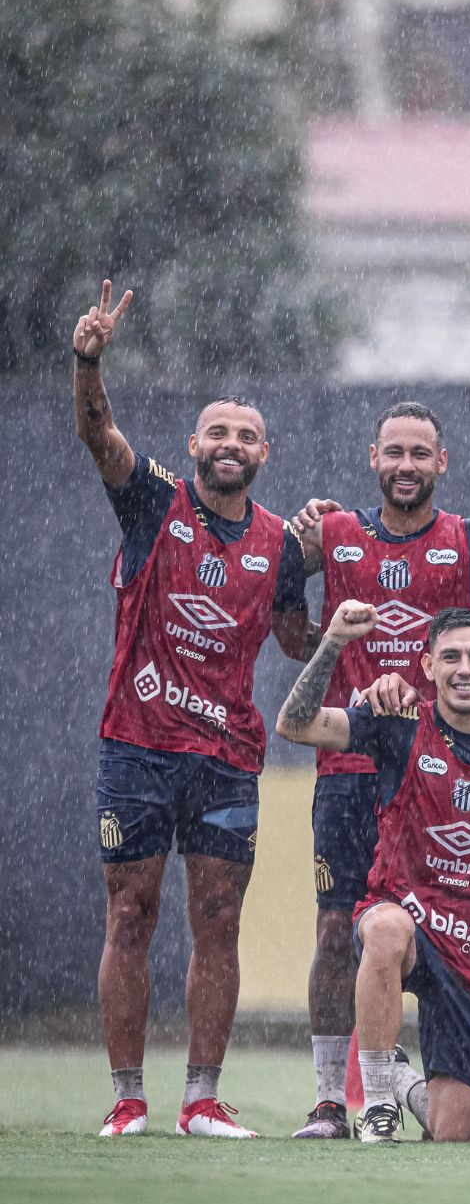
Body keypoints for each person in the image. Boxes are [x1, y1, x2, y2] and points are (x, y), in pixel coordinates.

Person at [75, 280, 316, 1139]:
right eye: (218, 431)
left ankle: (202, 1101)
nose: (230, 444)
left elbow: (295, 639)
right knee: (129, 914)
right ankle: (129, 1099)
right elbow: (99, 434)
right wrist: (88, 361)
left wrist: (347, 604)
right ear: (194, 444)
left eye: (246, 436)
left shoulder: (283, 541)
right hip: (135, 749)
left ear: (263, 453)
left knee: (217, 921)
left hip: (224, 758)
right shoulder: (155, 500)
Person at [285, 402, 470, 1139]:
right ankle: (334, 1102)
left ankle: (409, 1079)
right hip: (352, 761)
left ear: (443, 463)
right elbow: (264, 571)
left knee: (432, 927)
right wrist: (311, 636)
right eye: (394, 453)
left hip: (438, 765)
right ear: (373, 458)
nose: (406, 466)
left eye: (421, 454)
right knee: (341, 929)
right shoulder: (332, 534)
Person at [276, 604, 470, 1143]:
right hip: (408, 925)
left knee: (457, 1136)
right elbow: (293, 723)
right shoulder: (397, 723)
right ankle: (378, 1102)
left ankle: (398, 1076)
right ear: (426, 667)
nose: (464, 669)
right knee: (383, 929)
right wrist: (332, 643)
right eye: (449, 657)